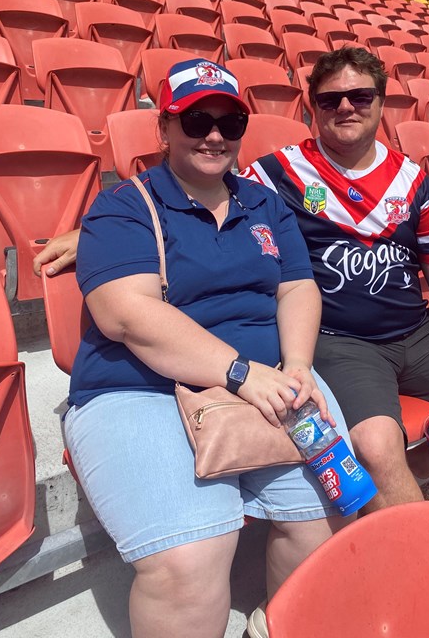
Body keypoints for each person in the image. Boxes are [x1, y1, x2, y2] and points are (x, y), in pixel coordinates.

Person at [35, 47, 429, 514]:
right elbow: (188, 191)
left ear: (381, 102)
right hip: (339, 342)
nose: (346, 108)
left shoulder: (415, 182)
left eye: (359, 96)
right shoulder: (275, 174)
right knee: (376, 449)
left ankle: (422, 465)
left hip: (417, 333)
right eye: (331, 101)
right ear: (312, 108)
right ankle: (421, 559)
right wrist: (94, 233)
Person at [54, 58, 351, 638]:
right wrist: (243, 373)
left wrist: (295, 367)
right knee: (190, 558)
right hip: (140, 388)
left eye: (229, 121)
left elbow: (297, 286)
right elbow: (127, 316)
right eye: (195, 120)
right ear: (163, 128)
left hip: (268, 377)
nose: (214, 135)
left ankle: (277, 624)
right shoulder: (124, 207)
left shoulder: (265, 204)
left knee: (328, 514)